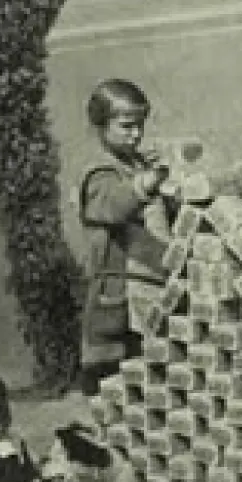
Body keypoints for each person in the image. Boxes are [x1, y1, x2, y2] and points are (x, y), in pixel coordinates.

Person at [77, 79, 173, 397]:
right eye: (126, 126)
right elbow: (115, 205)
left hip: (152, 288)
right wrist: (145, 184)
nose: (136, 134)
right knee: (120, 386)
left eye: (140, 126)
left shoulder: (138, 164)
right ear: (101, 125)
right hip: (120, 300)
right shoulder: (98, 173)